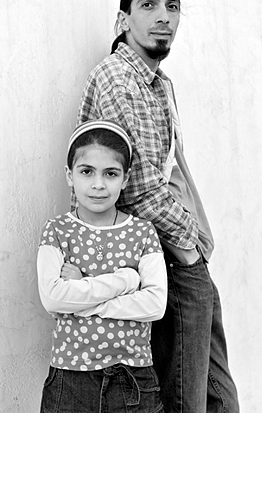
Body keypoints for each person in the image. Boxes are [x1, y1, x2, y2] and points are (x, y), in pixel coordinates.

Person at [75, 0, 239, 413]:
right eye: (148, 5)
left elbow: (171, 170)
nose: (163, 16)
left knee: (218, 397)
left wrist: (197, 245)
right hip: (163, 256)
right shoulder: (118, 79)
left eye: (172, 6)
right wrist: (189, 247)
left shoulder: (158, 83)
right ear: (123, 20)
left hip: (181, 253)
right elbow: (137, 187)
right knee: (188, 403)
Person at [37, 120, 168, 413]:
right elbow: (53, 298)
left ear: (125, 178)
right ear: (69, 175)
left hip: (133, 378)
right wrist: (125, 281)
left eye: (110, 173)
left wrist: (80, 296)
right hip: (70, 378)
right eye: (87, 172)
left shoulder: (143, 232)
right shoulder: (57, 230)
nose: (98, 184)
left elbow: (155, 304)